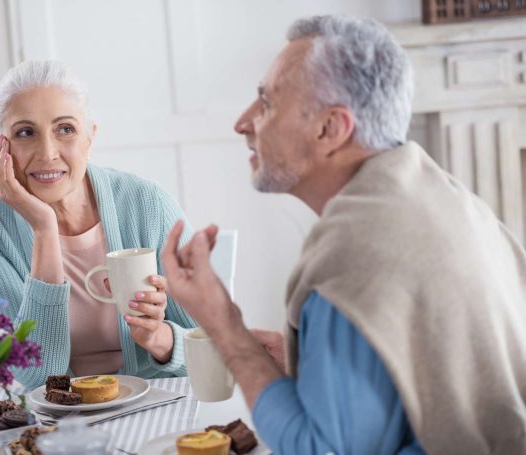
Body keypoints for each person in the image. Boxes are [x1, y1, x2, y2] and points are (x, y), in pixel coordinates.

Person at [162, 15, 526, 455]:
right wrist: (306, 364)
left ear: (330, 129)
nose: (243, 123)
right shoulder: (453, 204)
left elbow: (318, 450)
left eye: (266, 102)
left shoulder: (354, 257)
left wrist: (223, 323)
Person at [0, 60, 196, 389]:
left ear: (90, 136)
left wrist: (158, 339)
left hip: (154, 400)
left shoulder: (146, 204)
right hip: (52, 418)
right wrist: (43, 227)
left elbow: (215, 342)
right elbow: (37, 376)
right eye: (26, 133)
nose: (48, 152)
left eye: (65, 129)